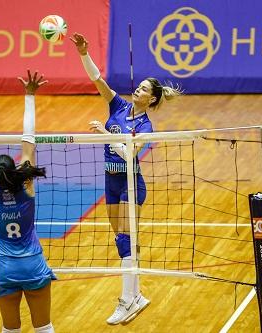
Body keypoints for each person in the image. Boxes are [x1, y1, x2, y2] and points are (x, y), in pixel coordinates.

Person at [69, 32, 182, 325]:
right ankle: (136, 296)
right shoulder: (117, 106)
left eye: (145, 89)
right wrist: (83, 52)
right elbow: (98, 81)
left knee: (126, 238)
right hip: (111, 180)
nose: (139, 90)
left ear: (152, 98)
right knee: (122, 242)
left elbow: (130, 154)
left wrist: (105, 134)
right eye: (139, 86)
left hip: (132, 182)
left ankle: (127, 299)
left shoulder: (147, 125)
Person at [0, 70, 56, 333]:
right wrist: (29, 95)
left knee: (10, 330)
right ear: (17, 170)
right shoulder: (26, 186)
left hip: (5, 268)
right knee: (44, 328)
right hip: (33, 264)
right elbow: (29, 139)